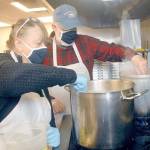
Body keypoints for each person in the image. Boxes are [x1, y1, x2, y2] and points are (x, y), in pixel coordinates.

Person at [42, 4, 148, 149]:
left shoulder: (84, 42)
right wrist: (51, 100)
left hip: (87, 116)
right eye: (66, 28)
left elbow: (111, 49)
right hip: (58, 118)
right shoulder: (42, 51)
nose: (72, 32)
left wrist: (133, 56)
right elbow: (34, 86)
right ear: (54, 26)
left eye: (74, 28)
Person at [0, 17, 87, 150]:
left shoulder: (33, 67)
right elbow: (13, 78)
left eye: (44, 43)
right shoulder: (4, 65)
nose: (43, 49)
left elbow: (43, 104)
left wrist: (51, 128)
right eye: (38, 43)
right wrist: (71, 76)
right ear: (18, 43)